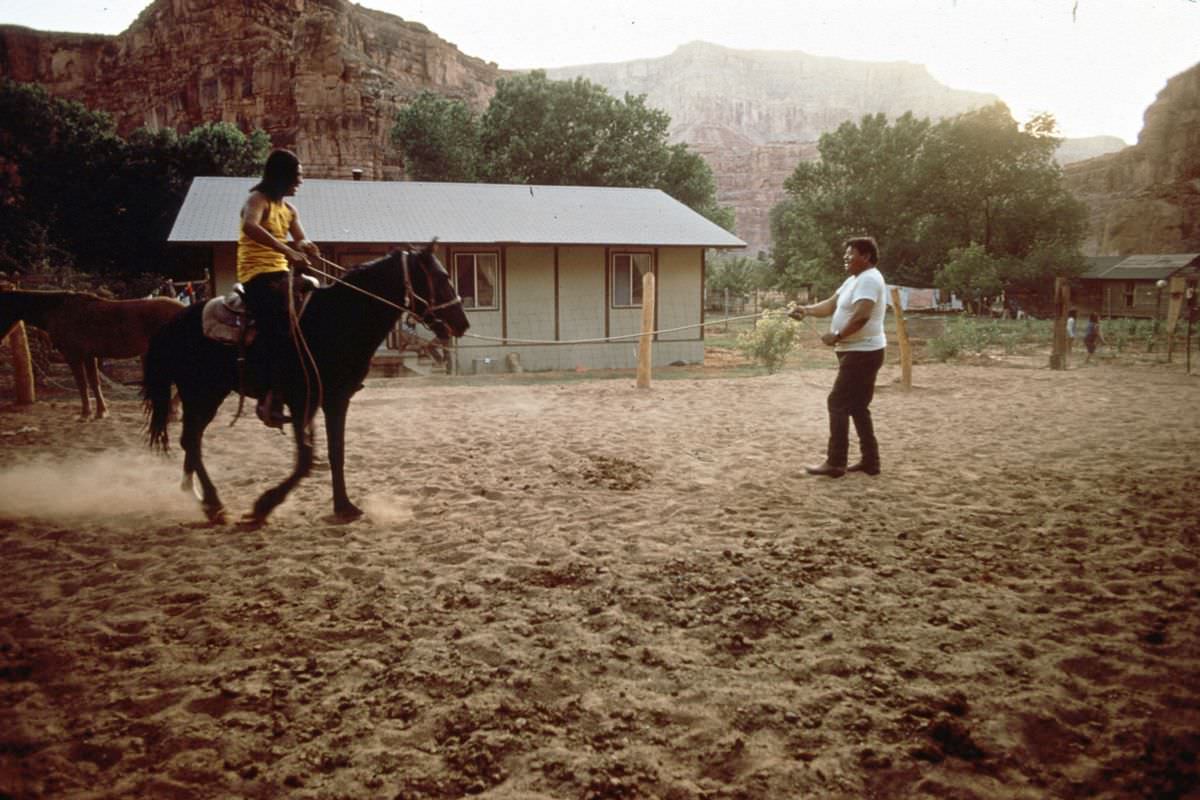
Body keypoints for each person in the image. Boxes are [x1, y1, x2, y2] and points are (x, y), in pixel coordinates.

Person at [789, 236, 888, 477]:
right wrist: (806, 310)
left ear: (866, 256)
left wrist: (837, 335)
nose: (845, 257)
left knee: (837, 403)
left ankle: (835, 463)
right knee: (857, 406)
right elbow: (831, 305)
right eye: (845, 254)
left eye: (850, 254)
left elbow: (862, 316)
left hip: (862, 353)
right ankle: (870, 461)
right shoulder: (854, 280)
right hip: (859, 351)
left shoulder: (869, 279)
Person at [236, 148, 321, 427]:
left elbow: (300, 239)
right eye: (297, 176)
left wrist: (307, 247)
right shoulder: (257, 200)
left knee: (317, 303)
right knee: (279, 326)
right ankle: (268, 397)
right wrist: (287, 250)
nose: (301, 182)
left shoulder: (290, 210)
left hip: (282, 274)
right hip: (257, 274)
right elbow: (250, 227)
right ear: (282, 176)